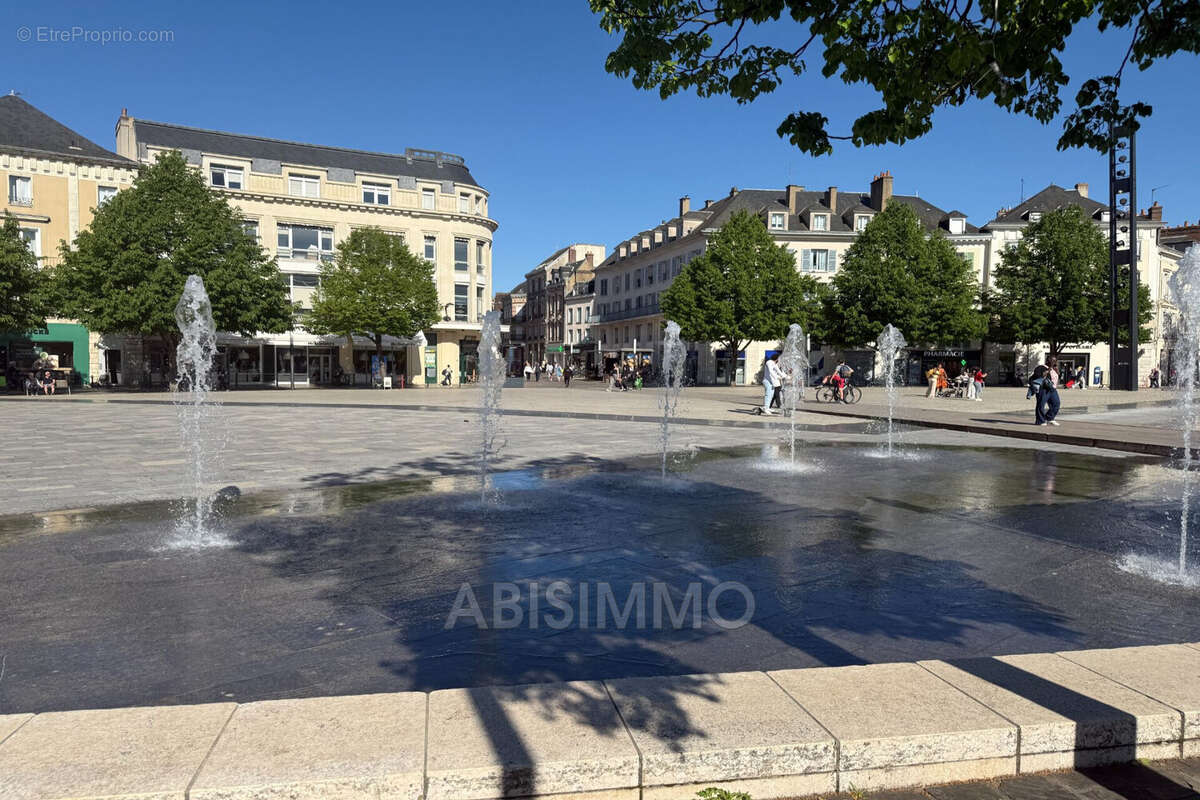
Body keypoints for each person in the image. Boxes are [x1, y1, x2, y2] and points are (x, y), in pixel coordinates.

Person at [1033, 356, 1061, 426]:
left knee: (1056, 403)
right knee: (1041, 404)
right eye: (1053, 361)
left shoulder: (1054, 369)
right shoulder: (1041, 367)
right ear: (1048, 361)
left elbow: (1056, 378)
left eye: (1055, 361)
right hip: (1043, 389)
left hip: (1053, 389)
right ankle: (1040, 421)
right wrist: (1048, 369)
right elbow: (1038, 375)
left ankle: (1049, 418)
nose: (1055, 362)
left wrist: (1056, 371)